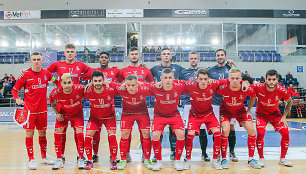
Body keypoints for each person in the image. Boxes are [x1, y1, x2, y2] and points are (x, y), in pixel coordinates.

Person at [46, 43, 91, 161]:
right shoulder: (57, 64)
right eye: (68, 51)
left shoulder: (80, 65)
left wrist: (84, 79)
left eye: (72, 51)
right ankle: (60, 155)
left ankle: (80, 155)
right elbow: (45, 73)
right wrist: (56, 82)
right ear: (64, 53)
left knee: (79, 132)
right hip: (62, 104)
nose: (70, 54)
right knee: (62, 132)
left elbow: (92, 72)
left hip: (76, 101)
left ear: (75, 53)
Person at [12, 52, 55, 170]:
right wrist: (17, 99)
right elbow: (14, 90)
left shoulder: (47, 74)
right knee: (29, 133)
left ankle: (44, 157)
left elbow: (56, 81)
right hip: (29, 111)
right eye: (34, 59)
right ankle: (31, 159)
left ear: (42, 61)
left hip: (43, 111)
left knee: (43, 134)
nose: (36, 61)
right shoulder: (25, 74)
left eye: (38, 59)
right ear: (31, 61)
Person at [178, 68, 226, 170]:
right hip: (194, 115)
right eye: (201, 79)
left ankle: (214, 160)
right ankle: (188, 159)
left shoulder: (213, 84)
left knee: (218, 134)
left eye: (205, 79)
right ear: (197, 79)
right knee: (190, 135)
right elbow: (177, 81)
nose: (203, 82)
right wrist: (161, 82)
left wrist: (245, 82)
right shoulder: (191, 85)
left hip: (209, 114)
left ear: (209, 79)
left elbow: (228, 80)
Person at [217, 68, 261, 169]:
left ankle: (251, 159)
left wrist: (249, 110)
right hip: (226, 111)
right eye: (233, 78)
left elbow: (254, 96)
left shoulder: (246, 88)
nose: (235, 81)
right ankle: (224, 159)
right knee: (225, 130)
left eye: (237, 78)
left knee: (251, 130)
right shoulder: (223, 87)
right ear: (229, 78)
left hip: (240, 111)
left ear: (241, 79)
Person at [81, 51, 120, 163]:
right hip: (95, 116)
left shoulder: (114, 71)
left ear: (109, 59)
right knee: (92, 136)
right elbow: (79, 78)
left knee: (111, 136)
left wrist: (109, 83)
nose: (103, 59)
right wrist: (88, 84)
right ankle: (93, 156)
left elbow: (123, 82)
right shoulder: (93, 73)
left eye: (105, 57)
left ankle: (113, 158)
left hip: (109, 114)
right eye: (101, 57)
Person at [117, 47, 154, 162]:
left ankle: (145, 154)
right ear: (128, 55)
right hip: (127, 109)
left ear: (139, 55)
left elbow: (152, 85)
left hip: (142, 109)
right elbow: (118, 85)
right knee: (126, 133)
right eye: (132, 54)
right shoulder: (123, 71)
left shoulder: (146, 70)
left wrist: (140, 84)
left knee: (145, 133)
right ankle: (126, 154)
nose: (134, 56)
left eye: (136, 54)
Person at [250, 69, 293, 167]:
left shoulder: (282, 90)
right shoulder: (258, 86)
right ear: (265, 79)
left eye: (274, 79)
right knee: (260, 133)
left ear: (277, 80)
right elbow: (245, 86)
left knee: (285, 133)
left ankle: (282, 159)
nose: (271, 82)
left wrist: (284, 116)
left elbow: (290, 101)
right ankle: (261, 158)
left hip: (275, 115)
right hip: (261, 115)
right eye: (269, 79)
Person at [109, 75, 153, 170]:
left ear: (138, 84)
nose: (131, 88)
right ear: (125, 84)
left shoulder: (144, 89)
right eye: (128, 85)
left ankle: (147, 158)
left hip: (142, 113)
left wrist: (143, 83)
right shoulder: (121, 89)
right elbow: (108, 82)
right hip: (127, 114)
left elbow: (153, 85)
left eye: (133, 85)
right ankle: (123, 159)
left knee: (146, 133)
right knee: (124, 133)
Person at [150, 48, 184, 161]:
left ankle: (173, 152)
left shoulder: (178, 68)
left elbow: (185, 82)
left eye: (168, 54)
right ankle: (156, 154)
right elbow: (146, 78)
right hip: (160, 102)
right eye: (164, 54)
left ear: (171, 56)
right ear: (161, 56)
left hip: (174, 102)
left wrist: (179, 97)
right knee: (157, 132)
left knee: (174, 131)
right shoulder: (155, 68)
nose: (166, 56)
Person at [208, 49, 240, 162]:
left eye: (222, 55)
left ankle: (231, 152)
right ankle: (217, 153)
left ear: (225, 56)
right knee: (216, 129)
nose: (220, 57)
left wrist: (233, 65)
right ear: (215, 57)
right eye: (218, 55)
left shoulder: (230, 68)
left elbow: (240, 77)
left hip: (230, 104)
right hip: (216, 103)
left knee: (230, 128)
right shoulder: (211, 70)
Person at [49, 73, 86, 170]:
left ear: (73, 83)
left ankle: (80, 158)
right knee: (58, 133)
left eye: (69, 83)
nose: (67, 85)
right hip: (62, 115)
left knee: (79, 134)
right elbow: (52, 103)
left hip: (77, 115)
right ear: (60, 83)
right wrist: (57, 113)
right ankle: (59, 158)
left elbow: (90, 87)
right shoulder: (55, 92)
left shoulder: (79, 88)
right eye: (64, 83)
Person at [179, 51, 210, 161]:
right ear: (189, 59)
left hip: (201, 105)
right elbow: (179, 86)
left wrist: (229, 65)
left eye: (195, 58)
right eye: (191, 58)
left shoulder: (204, 72)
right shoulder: (183, 72)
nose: (193, 60)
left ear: (198, 59)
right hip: (188, 104)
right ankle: (188, 155)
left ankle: (204, 153)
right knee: (187, 131)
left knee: (202, 131)